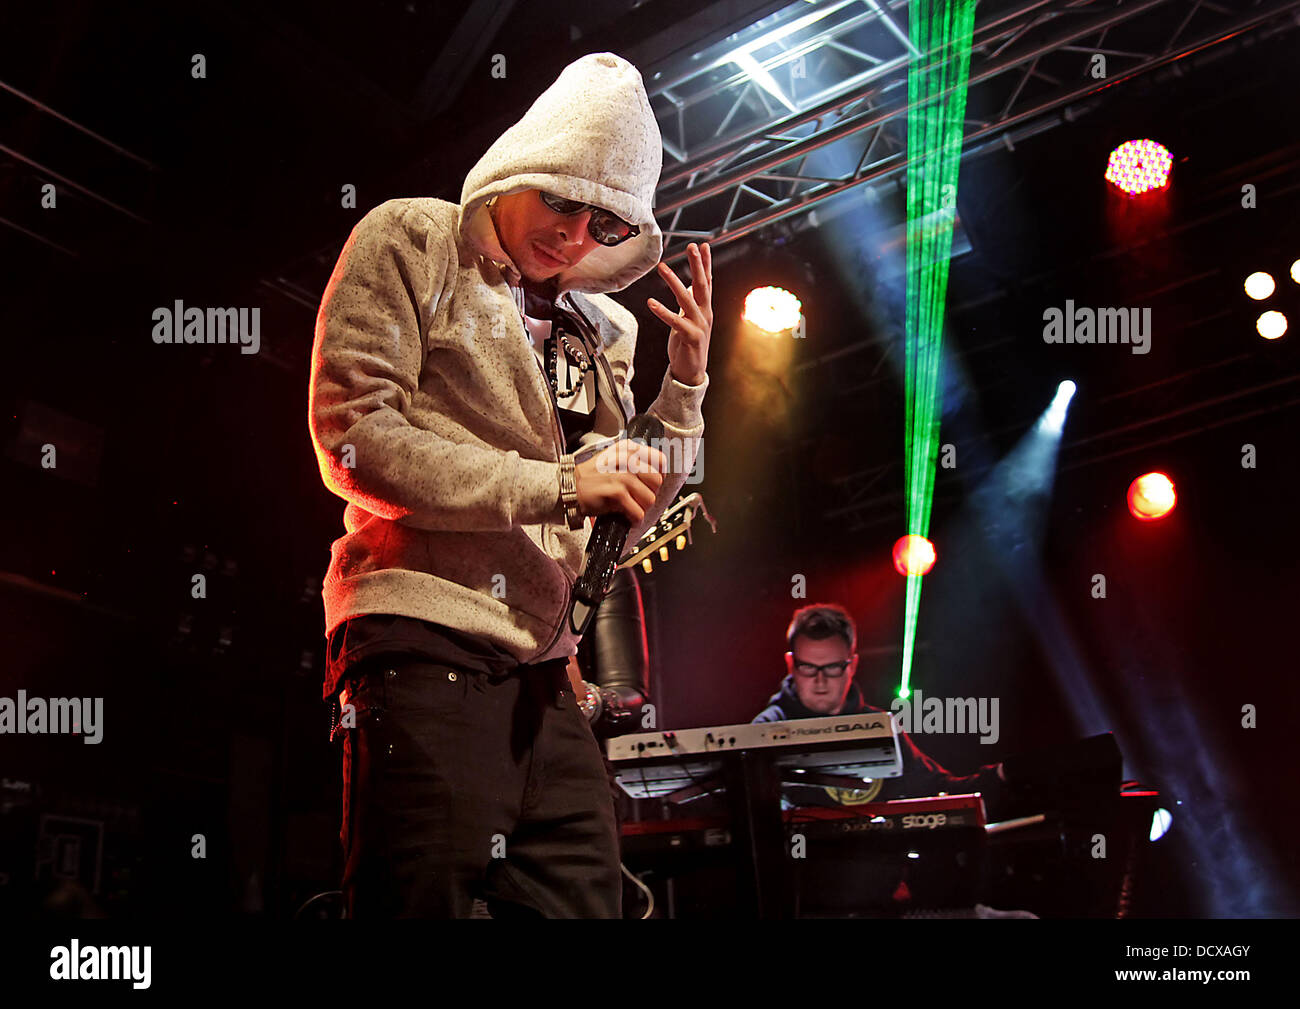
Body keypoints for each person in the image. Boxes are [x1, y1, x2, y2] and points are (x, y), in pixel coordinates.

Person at [308, 52, 713, 918]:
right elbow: (355, 438)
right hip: (423, 637)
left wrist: (682, 391)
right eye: (562, 200)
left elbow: (619, 520)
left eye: (604, 227)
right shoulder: (415, 238)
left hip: (547, 677)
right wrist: (560, 485)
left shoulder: (600, 327)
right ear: (525, 161)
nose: (572, 237)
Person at [754, 603, 1008, 812]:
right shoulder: (766, 732)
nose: (820, 680)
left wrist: (999, 776)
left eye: (832, 668)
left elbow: (936, 789)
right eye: (808, 667)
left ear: (852, 666)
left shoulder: (880, 728)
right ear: (790, 664)